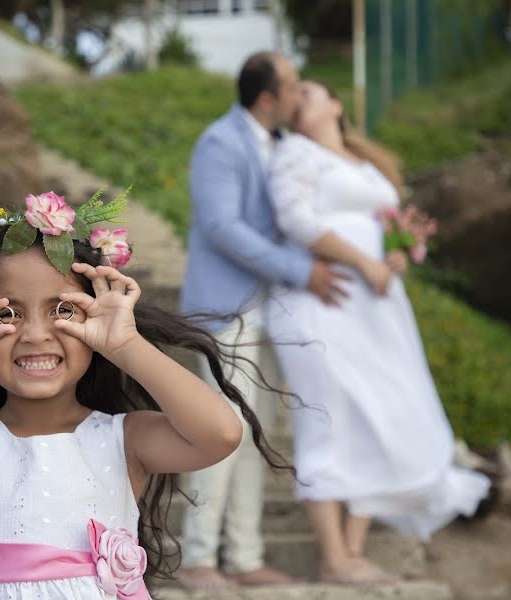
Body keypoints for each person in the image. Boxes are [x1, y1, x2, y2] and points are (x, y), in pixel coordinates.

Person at [0, 191, 287, 599]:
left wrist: (125, 343)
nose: (35, 334)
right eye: (8, 312)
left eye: (63, 310)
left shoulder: (123, 440)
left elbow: (221, 434)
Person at [266, 81, 491, 584]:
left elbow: (390, 224)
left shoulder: (367, 162)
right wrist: (365, 261)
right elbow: (294, 218)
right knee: (326, 420)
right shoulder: (294, 153)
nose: (299, 95)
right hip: (324, 301)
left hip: (378, 310)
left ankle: (353, 548)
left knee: (379, 417)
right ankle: (331, 555)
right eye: (292, 92)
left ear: (335, 104)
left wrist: (397, 252)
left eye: (309, 88)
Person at [177, 53, 349, 589]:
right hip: (226, 310)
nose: (301, 95)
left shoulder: (279, 146)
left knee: (258, 436)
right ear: (268, 97)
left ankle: (245, 556)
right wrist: (302, 270)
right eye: (294, 85)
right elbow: (223, 226)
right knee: (221, 430)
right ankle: (197, 558)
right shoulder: (220, 143)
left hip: (271, 312)